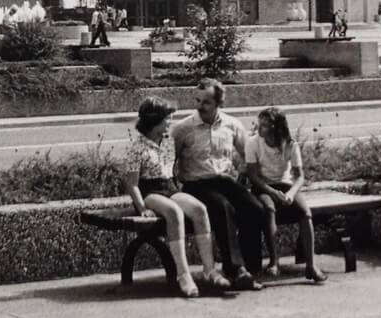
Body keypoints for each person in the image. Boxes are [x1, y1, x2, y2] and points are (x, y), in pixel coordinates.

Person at [123, 97, 232, 297]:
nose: (170, 122)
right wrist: (142, 208)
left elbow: (173, 172)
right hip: (150, 192)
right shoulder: (136, 147)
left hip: (169, 187)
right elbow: (132, 184)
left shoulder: (167, 142)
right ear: (154, 120)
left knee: (199, 209)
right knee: (174, 212)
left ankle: (209, 270)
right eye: (167, 118)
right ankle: (183, 275)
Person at [172, 78, 265, 290]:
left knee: (255, 208)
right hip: (197, 185)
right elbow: (170, 161)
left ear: (218, 103)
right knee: (222, 208)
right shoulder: (183, 128)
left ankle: (249, 271)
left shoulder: (232, 125)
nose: (199, 106)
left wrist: (244, 173)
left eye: (206, 102)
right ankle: (235, 269)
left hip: (224, 181)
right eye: (197, 100)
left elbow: (247, 155)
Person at [245, 107, 327, 282]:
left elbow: (299, 177)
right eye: (259, 124)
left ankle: (311, 265)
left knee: (305, 213)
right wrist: (272, 192)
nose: (260, 129)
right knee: (268, 208)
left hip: (285, 184)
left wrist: (290, 193)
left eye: (265, 125)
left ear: (276, 127)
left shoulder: (290, 145)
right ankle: (274, 261)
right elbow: (252, 176)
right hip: (263, 187)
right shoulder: (253, 143)